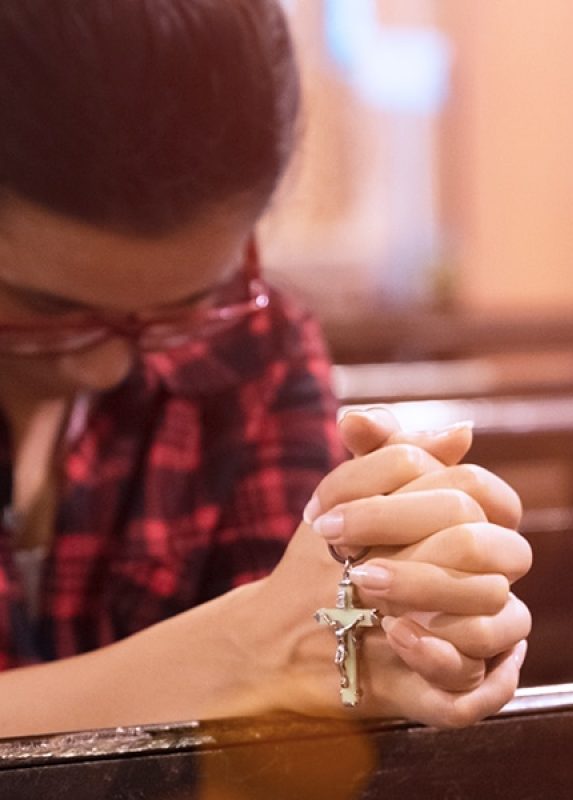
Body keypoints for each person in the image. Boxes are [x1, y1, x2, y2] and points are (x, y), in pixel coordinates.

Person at [0, 0, 532, 736]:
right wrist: (243, 657)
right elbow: (281, 652)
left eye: (183, 305)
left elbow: (307, 682)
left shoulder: (256, 347)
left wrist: (417, 617)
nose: (106, 364)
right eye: (46, 311)